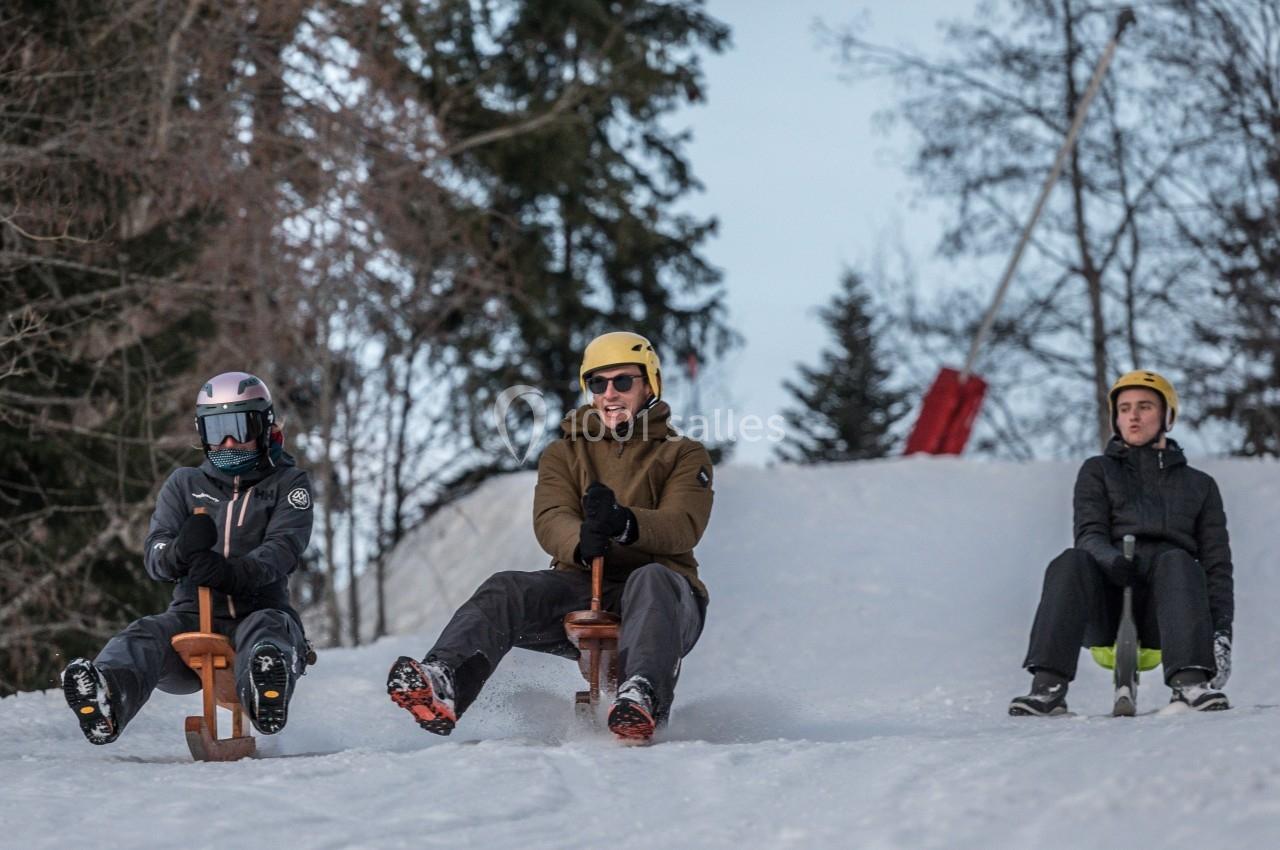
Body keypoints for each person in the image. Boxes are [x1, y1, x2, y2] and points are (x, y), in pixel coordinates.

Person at [388, 331, 714, 741]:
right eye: (599, 383)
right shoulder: (564, 453)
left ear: (649, 384)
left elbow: (683, 523)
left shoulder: (683, 453)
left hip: (665, 593)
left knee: (649, 580)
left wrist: (624, 523)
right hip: (584, 581)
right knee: (506, 588)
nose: (610, 393)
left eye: (623, 382)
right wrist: (579, 540)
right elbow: (551, 516)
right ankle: (445, 679)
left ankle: (642, 692)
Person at [61, 371, 314, 743]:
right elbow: (155, 554)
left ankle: (266, 688)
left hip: (259, 611)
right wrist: (180, 551)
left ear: (263, 427)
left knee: (270, 630)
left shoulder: (288, 485)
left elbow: (282, 550)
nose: (228, 441)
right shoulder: (184, 485)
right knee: (144, 634)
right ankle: (107, 696)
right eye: (216, 431)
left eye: (240, 428)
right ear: (202, 433)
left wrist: (228, 572)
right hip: (192, 617)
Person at [1010, 370, 1233, 715]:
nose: (1133, 415)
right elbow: (1089, 533)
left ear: (1167, 417)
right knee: (1071, 560)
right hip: (1108, 608)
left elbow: (1218, 565)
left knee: (1178, 560)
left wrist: (1220, 634)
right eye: (1125, 408)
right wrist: (1111, 560)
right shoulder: (1097, 471)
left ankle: (1190, 680)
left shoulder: (1200, 486)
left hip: (1170, 616)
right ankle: (1047, 686)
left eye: (1145, 406)